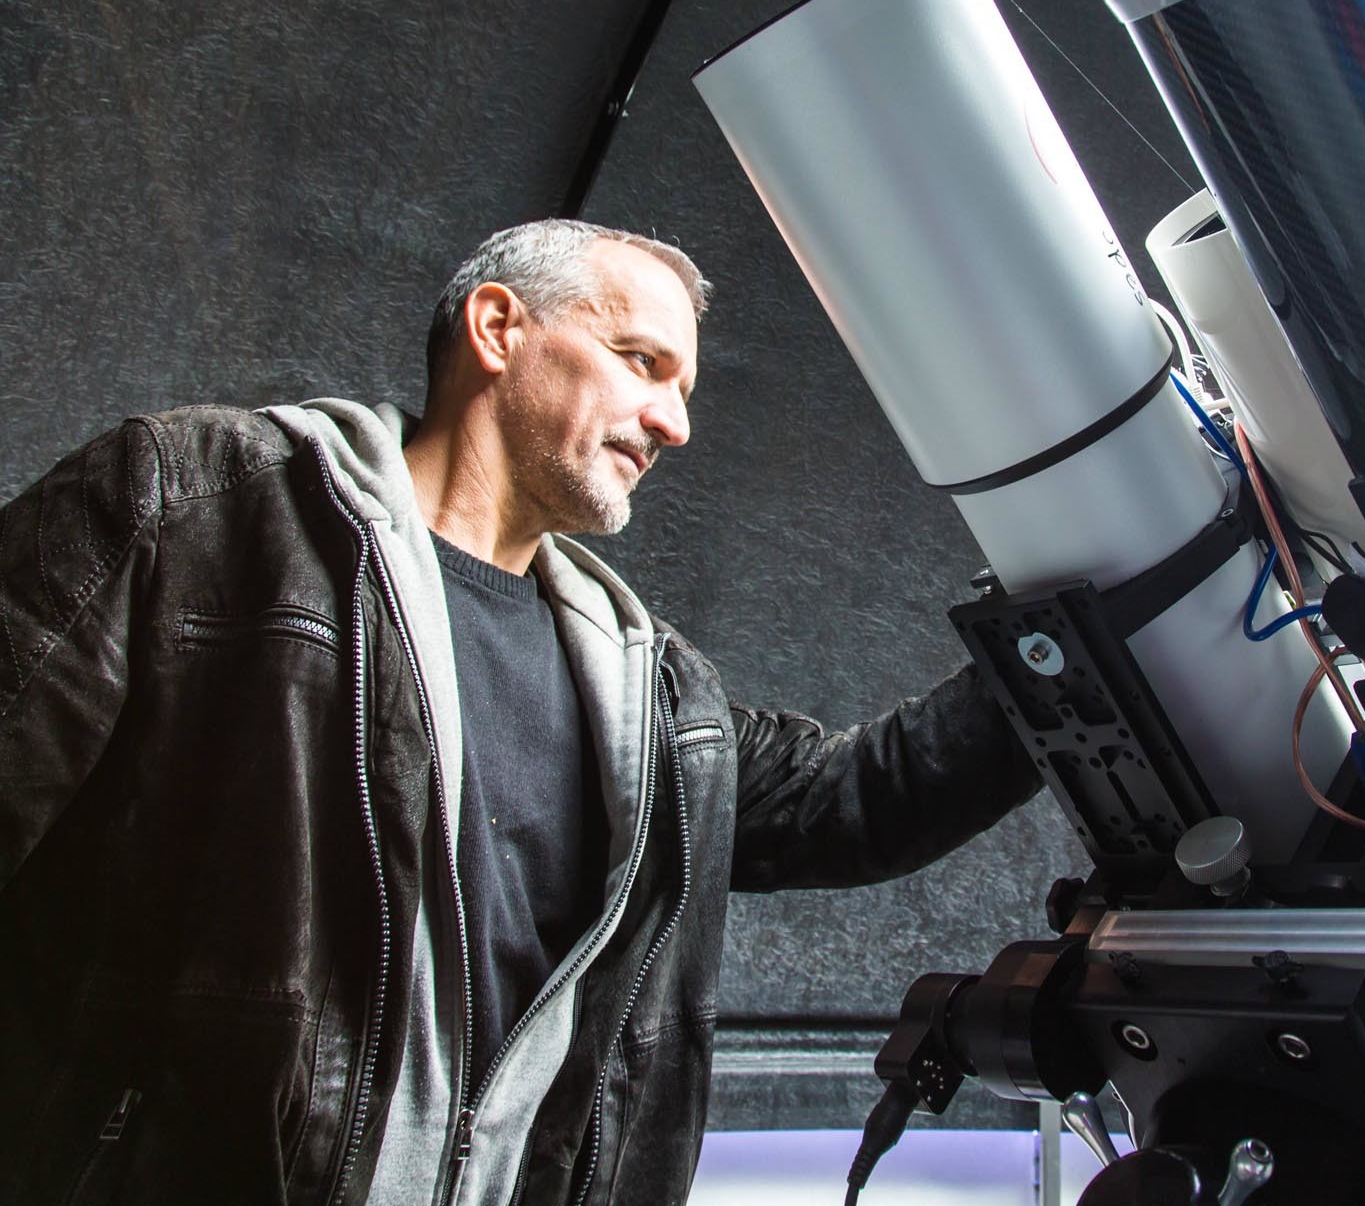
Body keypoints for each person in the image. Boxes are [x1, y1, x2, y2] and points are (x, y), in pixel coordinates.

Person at [0, 219, 1043, 1205]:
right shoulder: (196, 508)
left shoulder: (651, 693)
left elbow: (861, 799)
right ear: (498, 330)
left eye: (683, 389)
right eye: (642, 362)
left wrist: (1077, 618)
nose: (675, 424)